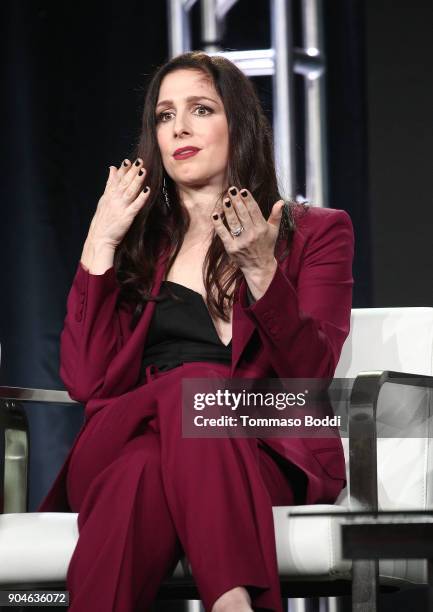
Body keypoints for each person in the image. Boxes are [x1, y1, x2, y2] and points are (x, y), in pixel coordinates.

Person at [38, 51, 354, 612]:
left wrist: (262, 271)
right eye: (164, 116)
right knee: (196, 392)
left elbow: (311, 375)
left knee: (142, 474)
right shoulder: (138, 245)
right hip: (124, 431)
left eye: (200, 109)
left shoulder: (317, 233)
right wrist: (99, 246)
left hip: (262, 445)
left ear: (239, 123)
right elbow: (86, 381)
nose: (178, 127)